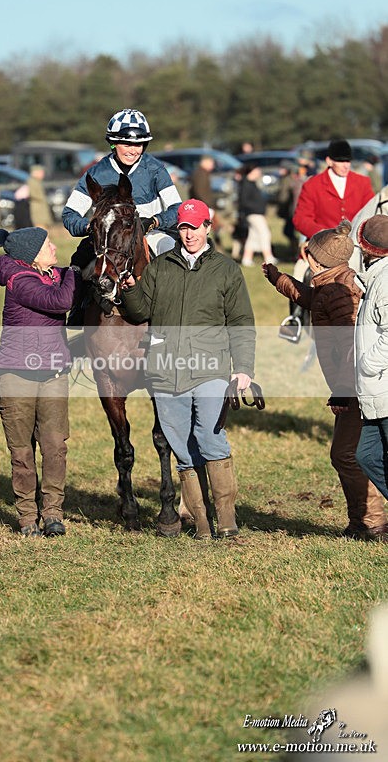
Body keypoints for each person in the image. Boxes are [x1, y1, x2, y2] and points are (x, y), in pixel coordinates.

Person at [120, 199, 256, 540]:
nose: (189, 233)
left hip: (209, 368)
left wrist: (243, 368)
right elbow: (139, 313)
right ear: (177, 229)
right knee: (181, 448)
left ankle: (227, 522)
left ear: (208, 227)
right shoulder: (161, 266)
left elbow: (241, 322)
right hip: (166, 371)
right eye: (183, 227)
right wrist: (130, 292)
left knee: (211, 439)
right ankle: (202, 525)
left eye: (195, 227)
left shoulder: (226, 270)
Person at [263, 220, 388, 541]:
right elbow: (314, 298)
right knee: (353, 453)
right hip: (358, 385)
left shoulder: (339, 290)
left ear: (314, 258)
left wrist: (344, 391)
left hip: (360, 386)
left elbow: (353, 348)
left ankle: (372, 523)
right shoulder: (335, 281)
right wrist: (281, 281)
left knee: (348, 454)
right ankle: (363, 521)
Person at [0, 226, 81, 538]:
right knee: (22, 452)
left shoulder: (50, 274)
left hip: (54, 374)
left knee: (55, 446)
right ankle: (28, 517)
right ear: (31, 255)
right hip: (16, 376)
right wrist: (74, 272)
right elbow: (59, 302)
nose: (55, 249)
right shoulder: (20, 280)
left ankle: (53, 513)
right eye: (48, 245)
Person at [62, 108, 182, 265]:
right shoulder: (96, 173)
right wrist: (91, 227)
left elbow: (177, 209)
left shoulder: (156, 169)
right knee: (77, 267)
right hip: (106, 239)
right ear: (113, 143)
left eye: (138, 144)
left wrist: (155, 221)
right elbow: (69, 214)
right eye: (127, 144)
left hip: (152, 235)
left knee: (174, 259)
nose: (133, 151)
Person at [354, 214, 388, 521]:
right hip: (375, 390)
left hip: (383, 384)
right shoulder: (376, 276)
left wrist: (368, 364)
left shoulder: (386, 280)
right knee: (366, 455)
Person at [293, 139, 375, 242]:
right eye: (341, 161)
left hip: (355, 243)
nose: (346, 166)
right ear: (329, 161)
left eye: (348, 161)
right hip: (322, 243)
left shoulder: (363, 182)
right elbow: (301, 218)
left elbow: (371, 213)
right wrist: (322, 233)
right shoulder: (312, 184)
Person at [237, 162, 277, 267]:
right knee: (265, 233)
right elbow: (244, 201)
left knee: (253, 236)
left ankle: (246, 259)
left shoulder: (252, 183)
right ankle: (269, 257)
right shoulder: (246, 184)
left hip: (256, 213)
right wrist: (256, 208)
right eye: (257, 170)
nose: (259, 172)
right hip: (253, 213)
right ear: (252, 171)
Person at [189, 155, 222, 248]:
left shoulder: (201, 173)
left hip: (204, 204)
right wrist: (207, 204)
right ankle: (208, 247)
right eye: (211, 163)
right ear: (205, 162)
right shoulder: (201, 174)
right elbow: (200, 191)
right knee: (206, 228)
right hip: (204, 205)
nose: (212, 166)